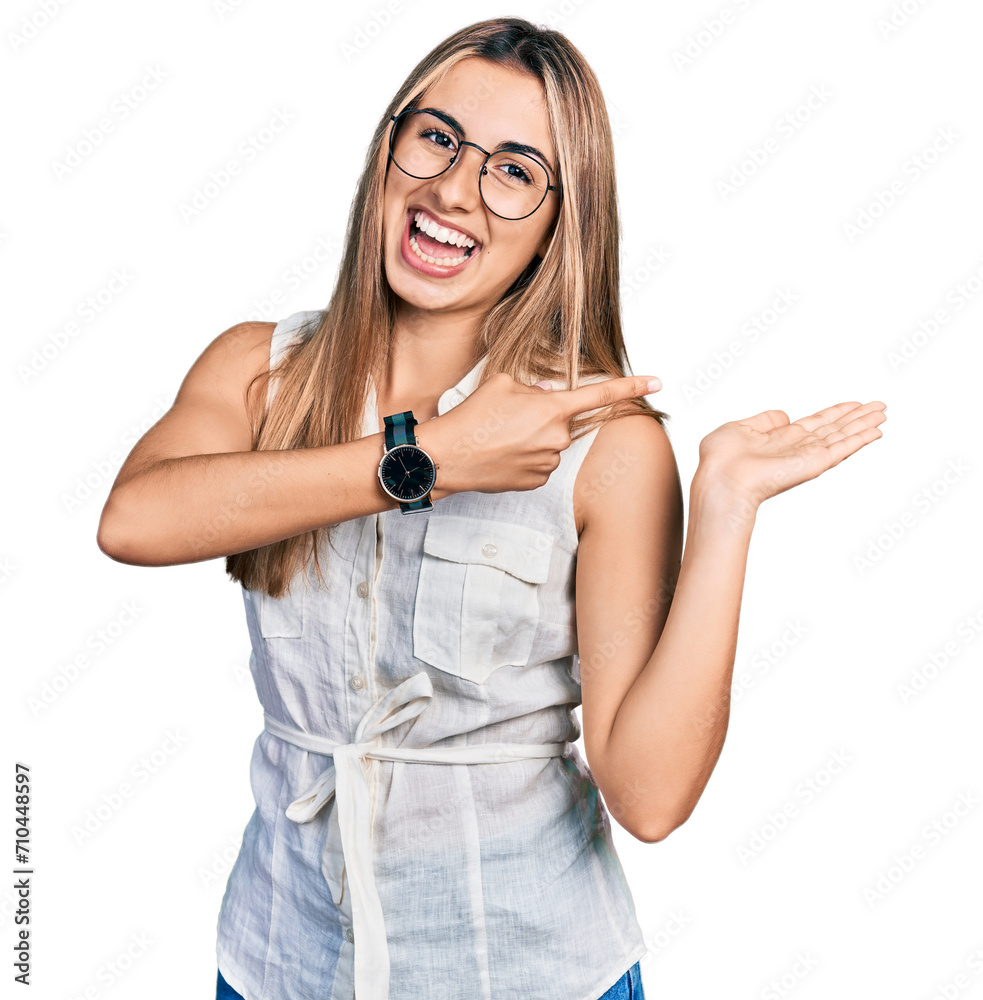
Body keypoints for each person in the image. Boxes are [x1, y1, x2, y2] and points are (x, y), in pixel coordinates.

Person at [96, 16, 886, 1000]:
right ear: (388, 148)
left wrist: (724, 507)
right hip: (275, 966)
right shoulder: (257, 372)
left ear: (563, 220)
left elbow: (646, 795)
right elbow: (132, 520)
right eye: (435, 137)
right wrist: (423, 458)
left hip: (533, 972)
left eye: (514, 170)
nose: (454, 189)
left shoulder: (607, 449)